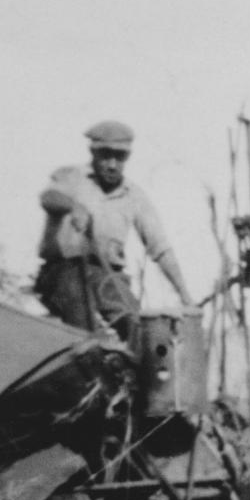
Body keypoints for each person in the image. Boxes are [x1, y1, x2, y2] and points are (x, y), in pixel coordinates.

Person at [34, 120, 193, 338]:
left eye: (119, 157)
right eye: (105, 155)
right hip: (64, 271)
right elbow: (48, 197)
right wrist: (74, 207)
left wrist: (185, 296)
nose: (111, 164)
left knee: (139, 329)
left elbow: (160, 247)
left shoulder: (134, 196)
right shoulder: (72, 176)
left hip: (108, 277)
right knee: (83, 331)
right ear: (93, 153)